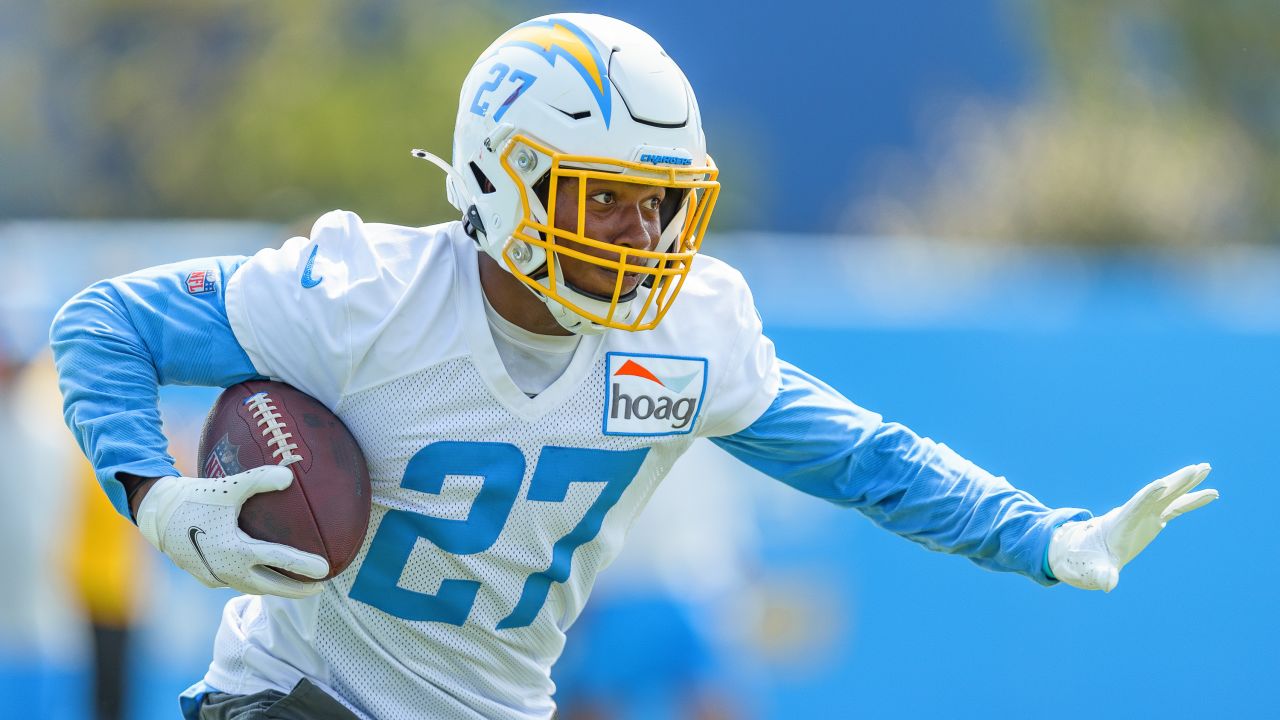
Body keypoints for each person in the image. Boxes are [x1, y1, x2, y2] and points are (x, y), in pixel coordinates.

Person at [49, 13, 1218, 720]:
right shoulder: (362, 296)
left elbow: (866, 459)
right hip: (295, 699)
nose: (638, 235)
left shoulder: (687, 336)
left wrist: (1043, 537)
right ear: (503, 178)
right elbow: (103, 323)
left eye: (658, 204)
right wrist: (153, 496)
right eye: (601, 197)